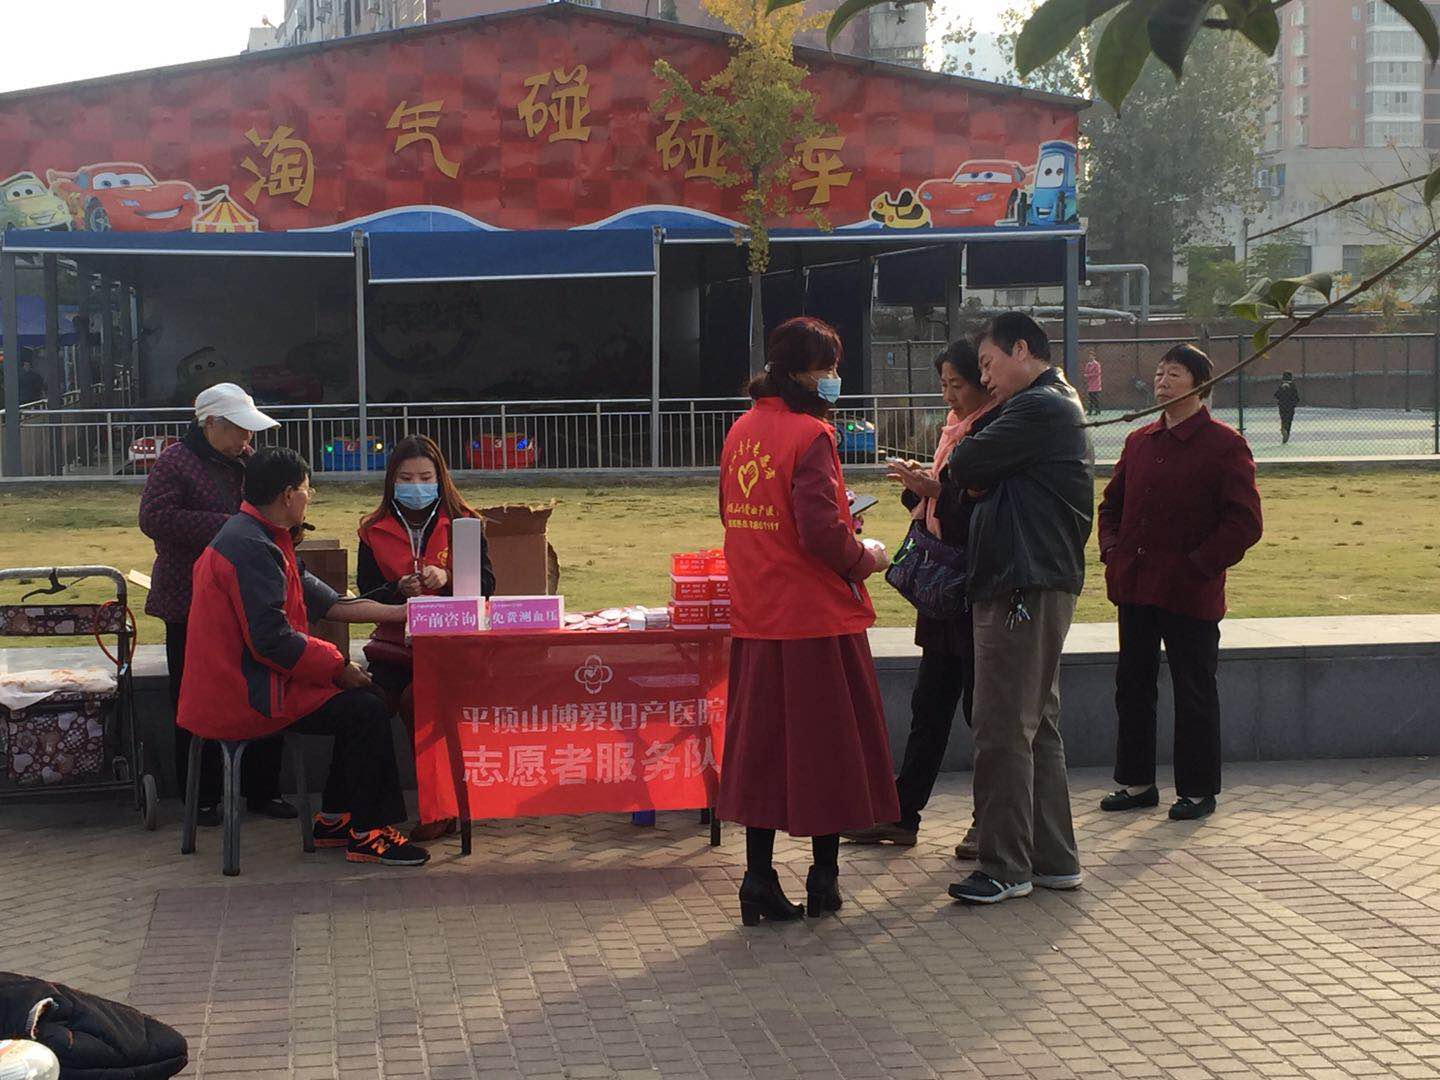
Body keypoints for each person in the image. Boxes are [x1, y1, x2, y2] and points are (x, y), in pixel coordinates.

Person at [717, 316, 899, 925]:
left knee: (763, 753)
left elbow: (740, 512)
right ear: (797, 372)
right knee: (827, 752)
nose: (832, 380)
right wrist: (864, 555)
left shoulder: (741, 429)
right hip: (815, 619)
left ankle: (757, 878)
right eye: (825, 369)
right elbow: (821, 532)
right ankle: (824, 879)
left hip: (756, 613)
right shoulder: (812, 435)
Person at [178, 447, 430, 867]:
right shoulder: (251, 548)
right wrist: (337, 666)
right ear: (289, 494)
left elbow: (333, 605)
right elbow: (271, 640)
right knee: (366, 709)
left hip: (250, 680)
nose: (310, 497)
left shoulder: (259, 536)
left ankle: (335, 818)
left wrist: (405, 610)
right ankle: (370, 832)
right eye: (308, 489)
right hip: (244, 693)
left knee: (362, 706)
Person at [944, 312, 1093, 906]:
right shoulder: (1046, 407)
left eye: (986, 364)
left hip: (1021, 584)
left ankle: (1005, 865)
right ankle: (1053, 857)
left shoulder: (1041, 406)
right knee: (1038, 725)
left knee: (1003, 725)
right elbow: (973, 472)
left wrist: (974, 469)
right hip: (1030, 579)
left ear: (1023, 349)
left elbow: (965, 463)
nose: (984, 379)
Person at [843, 339, 996, 854]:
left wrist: (936, 493)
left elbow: (986, 513)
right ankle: (900, 815)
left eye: (958, 385)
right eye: (945, 385)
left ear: (985, 381)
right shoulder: (955, 434)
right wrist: (921, 488)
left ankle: (989, 821)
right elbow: (949, 501)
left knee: (983, 712)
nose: (950, 396)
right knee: (928, 706)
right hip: (943, 590)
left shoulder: (998, 430)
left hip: (976, 587)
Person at [1098, 345, 1262, 822]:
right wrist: (1113, 551)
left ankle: (1196, 789)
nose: (1162, 380)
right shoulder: (1139, 441)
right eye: (1159, 372)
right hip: (1135, 584)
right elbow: (1111, 506)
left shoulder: (1224, 444)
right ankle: (1136, 782)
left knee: (1193, 688)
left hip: (1190, 589)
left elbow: (1244, 522)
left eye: (1175, 373)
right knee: (1132, 684)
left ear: (1200, 385)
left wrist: (1198, 564)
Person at [139, 382, 292, 827]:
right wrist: (231, 527)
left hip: (250, 597)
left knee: (264, 685)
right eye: (240, 429)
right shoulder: (174, 463)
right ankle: (201, 798)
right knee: (193, 697)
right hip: (187, 600)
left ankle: (264, 789)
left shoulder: (249, 463)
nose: (248, 439)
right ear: (211, 424)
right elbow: (154, 518)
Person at [357, 434, 494, 841]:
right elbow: (365, 593)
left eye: (424, 476)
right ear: (391, 481)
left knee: (422, 702)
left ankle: (440, 808)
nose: (415, 485)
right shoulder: (373, 529)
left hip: (450, 647)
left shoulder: (465, 521)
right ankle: (364, 813)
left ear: (440, 478)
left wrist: (447, 577)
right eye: (405, 478)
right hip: (392, 648)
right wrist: (398, 588)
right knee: (364, 708)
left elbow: (487, 586)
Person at [1275, 371, 1300, 444]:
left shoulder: (1281, 386)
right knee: (1289, 420)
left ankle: (1283, 428)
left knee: (1283, 418)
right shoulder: (1293, 386)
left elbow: (1276, 395)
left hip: (1282, 406)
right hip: (1290, 406)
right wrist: (1294, 403)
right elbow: (1297, 397)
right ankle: (1287, 432)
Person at [1083, 351, 1103, 415]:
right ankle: (1090, 411)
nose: (1090, 357)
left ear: (1094, 357)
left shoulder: (1097, 364)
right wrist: (1087, 376)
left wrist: (1088, 375)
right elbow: (1086, 372)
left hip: (1096, 384)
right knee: (1090, 398)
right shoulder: (1088, 364)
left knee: (1095, 398)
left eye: (1092, 356)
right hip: (1090, 383)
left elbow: (1097, 373)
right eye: (1089, 356)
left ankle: (1097, 410)